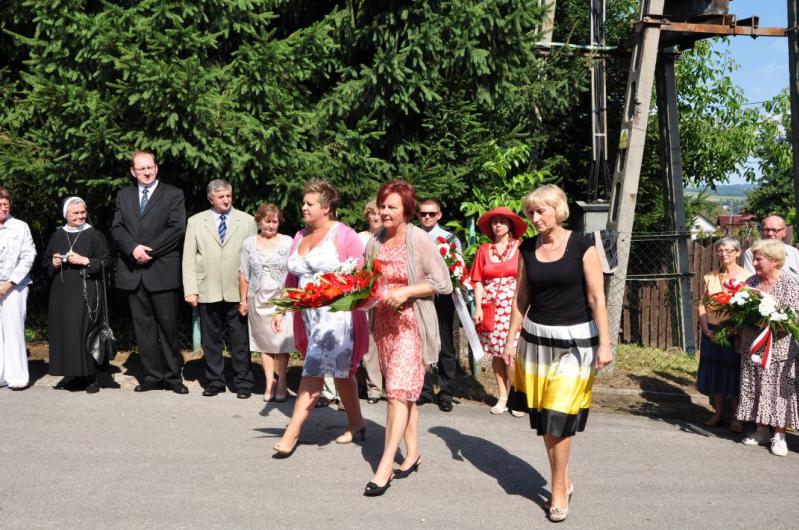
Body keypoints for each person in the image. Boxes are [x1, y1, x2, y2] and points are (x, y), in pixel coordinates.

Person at [503, 184, 612, 522]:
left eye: (541, 211)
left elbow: (597, 298)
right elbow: (521, 298)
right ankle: (563, 477)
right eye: (530, 212)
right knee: (548, 421)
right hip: (536, 342)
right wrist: (509, 340)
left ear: (558, 210)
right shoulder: (526, 248)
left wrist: (606, 343)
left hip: (576, 344)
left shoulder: (583, 246)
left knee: (558, 415)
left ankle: (558, 489)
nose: (534, 218)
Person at [363, 180, 452, 496]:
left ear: (407, 210)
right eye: (382, 206)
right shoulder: (374, 241)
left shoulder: (419, 239)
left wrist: (407, 291)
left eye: (392, 207)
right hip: (385, 327)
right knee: (404, 394)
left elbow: (443, 284)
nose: (385, 212)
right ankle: (412, 453)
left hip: (412, 326)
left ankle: (385, 464)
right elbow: (368, 282)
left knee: (397, 394)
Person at [271, 179, 367, 456]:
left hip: (336, 318)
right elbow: (292, 278)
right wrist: (282, 307)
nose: (304, 207)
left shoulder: (344, 235)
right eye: (304, 202)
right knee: (341, 373)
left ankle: (292, 432)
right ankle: (357, 423)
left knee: (313, 368)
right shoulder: (300, 235)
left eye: (309, 203)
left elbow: (361, 277)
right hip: (310, 316)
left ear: (326, 208)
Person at [111, 150, 188, 394]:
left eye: (150, 167)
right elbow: (117, 228)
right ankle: (152, 376)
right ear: (133, 172)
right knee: (143, 328)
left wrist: (150, 252)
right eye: (141, 169)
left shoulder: (173, 194)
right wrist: (133, 248)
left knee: (168, 327)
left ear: (156, 167)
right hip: (134, 272)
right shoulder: (124, 195)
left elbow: (177, 228)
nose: (147, 172)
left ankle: (173, 377)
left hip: (161, 270)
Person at [183, 179, 257, 398]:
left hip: (238, 290)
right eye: (221, 197)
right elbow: (189, 257)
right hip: (208, 288)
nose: (226, 200)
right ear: (210, 199)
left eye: (228, 196)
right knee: (210, 340)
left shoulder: (247, 221)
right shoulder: (196, 221)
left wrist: (251, 291)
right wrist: (190, 289)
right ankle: (215, 381)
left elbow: (253, 258)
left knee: (239, 339)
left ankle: (243, 382)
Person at [736, 239, 799, 457]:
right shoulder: (751, 282)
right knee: (756, 386)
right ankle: (761, 430)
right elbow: (740, 311)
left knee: (779, 392)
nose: (754, 263)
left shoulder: (789, 284)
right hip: (752, 346)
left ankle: (780, 435)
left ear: (774, 260)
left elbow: (793, 318)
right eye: (754, 258)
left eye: (758, 259)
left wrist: (771, 321)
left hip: (779, 349)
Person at [44, 197, 113, 393]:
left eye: (83, 212)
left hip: (87, 291)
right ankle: (74, 375)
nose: (81, 216)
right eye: (76, 213)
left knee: (86, 332)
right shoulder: (57, 236)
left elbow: (107, 261)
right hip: (62, 294)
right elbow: (45, 263)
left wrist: (85, 260)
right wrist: (53, 263)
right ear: (66, 215)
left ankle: (92, 377)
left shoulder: (94, 235)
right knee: (68, 334)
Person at [470, 206, 527, 416]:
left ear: (510, 225)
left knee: (510, 354)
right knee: (496, 353)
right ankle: (502, 396)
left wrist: (527, 307)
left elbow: (528, 280)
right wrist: (478, 307)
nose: (498, 225)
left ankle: (516, 397)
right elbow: (477, 281)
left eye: (503, 221)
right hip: (491, 307)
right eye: (495, 222)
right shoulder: (484, 250)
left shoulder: (521, 248)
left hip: (514, 306)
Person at [239, 203, 294, 402]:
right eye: (267, 221)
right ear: (259, 221)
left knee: (282, 343)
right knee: (264, 344)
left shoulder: (287, 242)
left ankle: (283, 382)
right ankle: (270, 382)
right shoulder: (249, 244)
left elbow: (292, 273)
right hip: (258, 299)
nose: (271, 225)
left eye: (275, 222)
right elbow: (244, 273)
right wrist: (243, 300)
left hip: (282, 298)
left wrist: (287, 299)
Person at [696, 237, 749, 432]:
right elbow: (702, 304)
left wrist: (736, 329)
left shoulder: (747, 278)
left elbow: (750, 309)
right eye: (720, 250)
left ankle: (736, 418)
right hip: (712, 331)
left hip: (736, 333)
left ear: (738, 252)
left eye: (728, 250)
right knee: (716, 373)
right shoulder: (710, 276)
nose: (723, 253)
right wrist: (705, 329)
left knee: (734, 374)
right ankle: (718, 414)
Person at [417, 198, 461, 412]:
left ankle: (445, 392)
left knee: (445, 343)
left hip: (442, 296)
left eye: (431, 214)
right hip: (418, 294)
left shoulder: (450, 238)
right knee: (420, 341)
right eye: (423, 213)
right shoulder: (412, 236)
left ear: (439, 215)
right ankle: (424, 389)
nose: (427, 217)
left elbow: (458, 266)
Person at [0, 188, 36, 390]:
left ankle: (17, 377)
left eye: (6, 204)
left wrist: (9, 283)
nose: (3, 208)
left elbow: (28, 256)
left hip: (15, 287)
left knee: (13, 330)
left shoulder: (20, 227)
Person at [358, 199, 383, 404]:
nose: (375, 217)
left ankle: (388, 386)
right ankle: (371, 387)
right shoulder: (359, 238)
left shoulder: (390, 238)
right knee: (367, 342)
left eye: (378, 213)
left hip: (387, 295)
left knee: (385, 342)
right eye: (371, 213)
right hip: (365, 295)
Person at [742, 214, 799, 280]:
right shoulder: (752, 252)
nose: (770, 234)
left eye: (775, 230)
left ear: (784, 232)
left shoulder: (794, 253)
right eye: (766, 229)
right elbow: (750, 280)